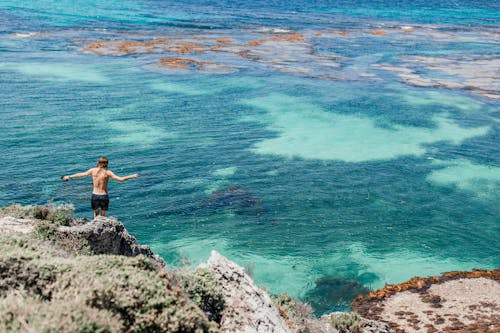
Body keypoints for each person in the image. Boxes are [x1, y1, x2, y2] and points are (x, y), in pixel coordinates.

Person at [62, 157, 139, 218]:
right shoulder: (108, 172)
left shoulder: (93, 170)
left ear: (98, 163)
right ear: (107, 164)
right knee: (103, 216)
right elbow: (121, 179)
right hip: (104, 196)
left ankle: (95, 229)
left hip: (95, 195)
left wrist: (69, 176)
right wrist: (132, 176)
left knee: (95, 214)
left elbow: (81, 174)